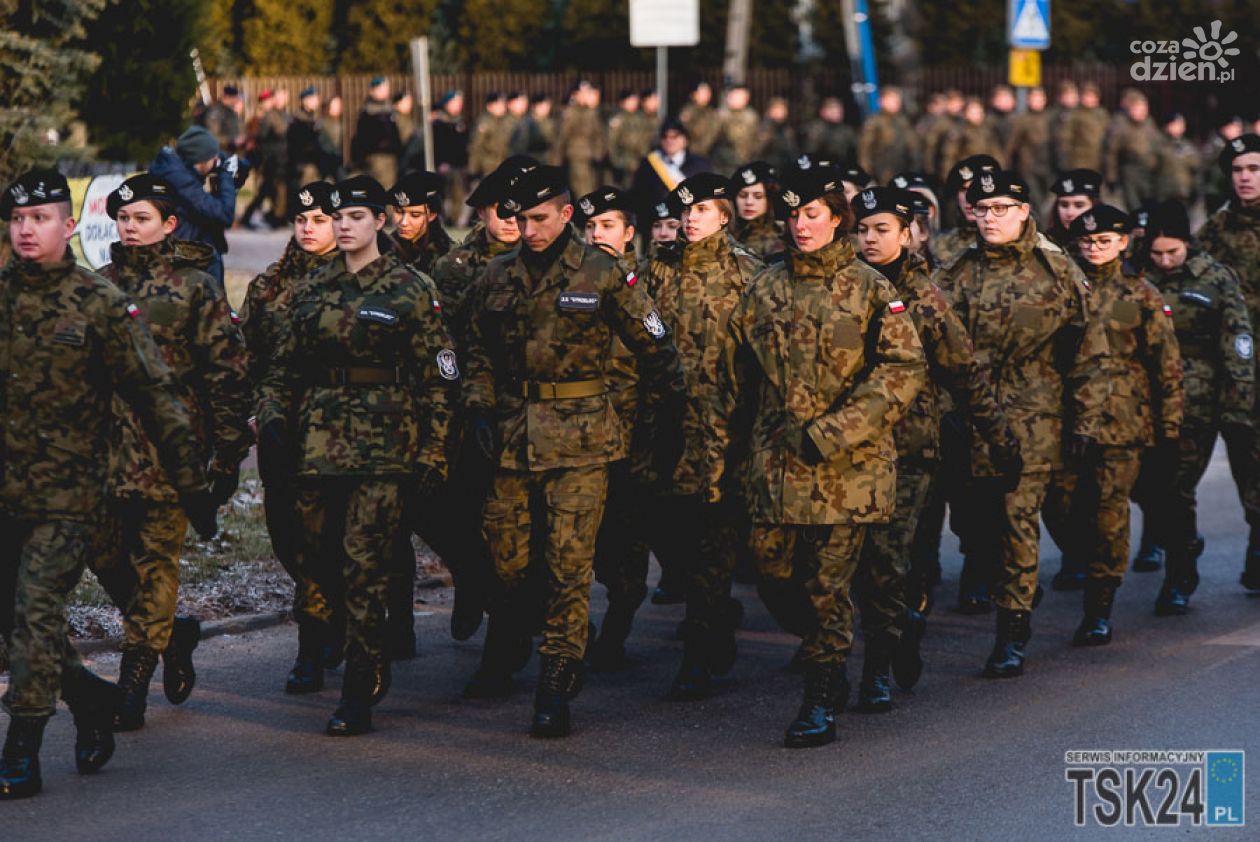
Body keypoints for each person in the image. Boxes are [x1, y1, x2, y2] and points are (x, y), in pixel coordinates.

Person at [0, 169, 216, 799]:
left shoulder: (98, 302)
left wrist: (193, 483)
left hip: (71, 494)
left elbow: (155, 396)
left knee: (36, 612)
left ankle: (22, 749)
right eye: (17, 219)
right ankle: (91, 698)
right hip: (7, 490)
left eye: (41, 218)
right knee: (16, 620)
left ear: (68, 226)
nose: (27, 230)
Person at [461, 165, 688, 738]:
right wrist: (480, 406)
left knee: (570, 565)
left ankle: (556, 677)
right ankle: (546, 635)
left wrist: (666, 422)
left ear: (566, 215)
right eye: (520, 220)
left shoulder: (602, 272)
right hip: (513, 437)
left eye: (540, 218)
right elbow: (476, 350)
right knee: (508, 565)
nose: (528, 230)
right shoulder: (496, 275)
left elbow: (656, 347)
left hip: (582, 441)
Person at [705, 164, 926, 747]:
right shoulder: (765, 287)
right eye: (793, 215)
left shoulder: (871, 289)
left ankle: (822, 696)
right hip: (774, 465)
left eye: (812, 214)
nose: (800, 225)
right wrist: (719, 456)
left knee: (829, 585)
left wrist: (835, 431)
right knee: (775, 574)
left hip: (847, 468)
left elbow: (903, 370)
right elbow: (733, 380)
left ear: (836, 219)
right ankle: (840, 644)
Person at [257, 175, 458, 736]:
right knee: (317, 560)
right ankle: (348, 646)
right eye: (338, 217)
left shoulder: (409, 287)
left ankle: (359, 683)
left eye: (355, 217)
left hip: (384, 447)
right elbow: (280, 370)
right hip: (317, 446)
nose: (343, 226)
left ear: (379, 222)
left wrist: (434, 451)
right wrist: (272, 420)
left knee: (364, 563)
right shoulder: (311, 287)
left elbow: (438, 377)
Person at [91, 174, 251, 731]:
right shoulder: (100, 286)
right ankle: (173, 634)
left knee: (156, 562)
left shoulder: (195, 288)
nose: (130, 228)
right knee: (103, 555)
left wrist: (227, 454)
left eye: (142, 219)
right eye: (123, 219)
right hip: (106, 455)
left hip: (170, 454)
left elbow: (227, 375)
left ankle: (132, 685)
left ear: (169, 224)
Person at [936, 171, 1109, 677]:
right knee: (976, 527)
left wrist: (1086, 422)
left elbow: (1090, 351)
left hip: (1035, 420)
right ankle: (1014, 590)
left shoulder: (1056, 269)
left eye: (1001, 209)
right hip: (972, 422)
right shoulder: (957, 271)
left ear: (1023, 212)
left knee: (1018, 521)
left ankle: (1012, 632)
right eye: (982, 209)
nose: (990, 218)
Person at [851, 186, 1019, 707]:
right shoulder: (842, 288)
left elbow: (965, 374)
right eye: (862, 229)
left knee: (888, 562)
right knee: (845, 565)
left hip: (908, 450)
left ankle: (877, 668)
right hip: (846, 450)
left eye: (882, 229)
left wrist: (999, 437)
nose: (870, 238)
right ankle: (902, 621)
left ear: (907, 235)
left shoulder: (925, 298)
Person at [644, 173, 764, 698]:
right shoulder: (658, 270)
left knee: (712, 542)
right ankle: (714, 619)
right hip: (666, 430)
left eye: (701, 211)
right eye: (684, 212)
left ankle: (698, 651)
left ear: (724, 216)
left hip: (724, 433)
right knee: (671, 536)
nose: (690, 220)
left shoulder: (748, 273)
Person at [1044, 205, 1182, 642]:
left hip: (1123, 421)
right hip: (1065, 415)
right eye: (1086, 242)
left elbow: (1166, 364)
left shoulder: (1141, 294)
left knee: (1109, 512)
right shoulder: (1062, 287)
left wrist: (1170, 427)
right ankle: (1083, 561)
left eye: (1104, 241)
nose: (1094, 249)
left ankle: (1099, 605)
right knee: (1058, 502)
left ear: (1123, 242)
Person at [428, 160, 533, 698]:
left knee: (516, 539)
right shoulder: (455, 267)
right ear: (483, 213)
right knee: (450, 516)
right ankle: (475, 585)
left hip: (542, 420)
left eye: (521, 209)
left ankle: (511, 642)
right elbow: (445, 343)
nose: (512, 219)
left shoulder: (559, 261)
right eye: (500, 210)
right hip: (471, 412)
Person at [240, 182, 343, 693]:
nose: (308, 228)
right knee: (285, 534)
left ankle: (313, 643)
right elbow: (245, 357)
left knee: (322, 538)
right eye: (301, 220)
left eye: (319, 220)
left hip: (339, 434)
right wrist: (252, 414)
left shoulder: (357, 280)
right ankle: (331, 614)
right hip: (280, 427)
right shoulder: (268, 286)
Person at [1134, 200, 1254, 605]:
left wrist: (1238, 406)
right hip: (1144, 401)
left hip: (1198, 402)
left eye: (1173, 251)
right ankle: (1182, 542)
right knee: (1147, 488)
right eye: (1156, 253)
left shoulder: (1215, 278)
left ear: (1187, 242)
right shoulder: (1133, 279)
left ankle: (1179, 576)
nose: (1165, 260)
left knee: (1177, 488)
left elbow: (1237, 345)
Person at [574, 185, 654, 669]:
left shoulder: (647, 283)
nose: (596, 235)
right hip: (579, 434)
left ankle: (618, 623)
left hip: (632, 435)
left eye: (607, 226)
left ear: (629, 233)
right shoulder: (571, 281)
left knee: (624, 543)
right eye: (589, 227)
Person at [1194, 134, 1260, 589]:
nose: (1245, 178)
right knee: (1244, 456)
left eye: (1254, 169)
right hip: (1235, 370)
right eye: (1238, 170)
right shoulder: (1216, 230)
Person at [150, 125, 238, 285]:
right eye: (214, 158)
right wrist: (226, 174)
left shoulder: (174, 171)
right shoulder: (179, 180)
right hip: (185, 262)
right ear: (202, 161)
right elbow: (224, 214)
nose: (216, 161)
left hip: (182, 256)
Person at [629, 118, 711, 227]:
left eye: (675, 136)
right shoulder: (648, 164)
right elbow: (638, 198)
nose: (669, 140)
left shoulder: (701, 165)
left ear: (685, 139)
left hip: (691, 225)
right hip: (656, 226)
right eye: (665, 136)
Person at [932, 154, 998, 264]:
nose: (968, 198)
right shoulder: (940, 245)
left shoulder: (1011, 238)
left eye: (975, 189)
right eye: (963, 190)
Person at [1105, 90, 1162, 212]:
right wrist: (1111, 177)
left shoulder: (1149, 124)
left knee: (1150, 205)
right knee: (1134, 206)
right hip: (1130, 170)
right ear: (1130, 109)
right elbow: (1111, 153)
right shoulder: (1120, 125)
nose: (1142, 111)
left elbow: (1159, 145)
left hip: (1149, 171)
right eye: (1138, 108)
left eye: (1144, 108)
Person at [388, 170, 453, 275]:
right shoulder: (382, 249)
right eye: (399, 212)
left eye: (415, 215)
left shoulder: (450, 256)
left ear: (431, 215)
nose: (404, 222)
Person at [1004, 86, 1052, 211]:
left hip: (1048, 166)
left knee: (1048, 200)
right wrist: (1006, 165)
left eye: (1040, 98)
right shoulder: (1022, 120)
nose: (1037, 101)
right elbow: (1012, 144)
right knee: (1036, 200)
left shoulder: (1050, 118)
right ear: (1028, 100)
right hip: (1029, 166)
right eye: (1034, 98)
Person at [858, 87, 918, 185]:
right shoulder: (875, 122)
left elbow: (912, 146)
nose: (895, 102)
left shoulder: (904, 121)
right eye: (891, 99)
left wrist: (914, 166)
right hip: (881, 171)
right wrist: (867, 172)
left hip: (902, 170)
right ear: (881, 102)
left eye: (897, 99)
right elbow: (865, 149)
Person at [556, 80, 606, 200]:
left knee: (593, 190)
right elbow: (561, 138)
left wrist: (599, 154)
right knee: (583, 192)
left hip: (592, 159)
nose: (586, 96)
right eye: (583, 93)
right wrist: (557, 162)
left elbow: (599, 135)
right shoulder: (570, 113)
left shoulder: (591, 113)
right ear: (576, 95)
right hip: (577, 158)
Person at [351, 77, 402, 190]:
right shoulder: (369, 112)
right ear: (373, 90)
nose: (386, 91)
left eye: (387, 88)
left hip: (392, 157)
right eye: (382, 88)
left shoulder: (390, 111)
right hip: (377, 158)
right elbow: (364, 139)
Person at [287, 86, 342, 191]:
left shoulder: (314, 120)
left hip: (315, 166)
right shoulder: (298, 120)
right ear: (305, 101)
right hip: (305, 167)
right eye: (313, 99)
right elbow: (299, 146)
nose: (317, 101)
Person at [729, 161, 785, 260]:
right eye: (743, 195)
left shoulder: (778, 239)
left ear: (769, 199)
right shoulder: (726, 231)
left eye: (758, 196)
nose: (749, 202)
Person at [431, 90, 470, 223]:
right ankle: (444, 219)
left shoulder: (461, 122)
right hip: (445, 165)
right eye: (455, 102)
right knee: (445, 194)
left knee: (459, 194)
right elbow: (437, 145)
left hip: (459, 165)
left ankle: (455, 220)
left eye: (460, 102)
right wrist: (440, 162)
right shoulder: (439, 123)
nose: (458, 105)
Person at [1044, 168, 1102, 251]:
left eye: (1079, 205)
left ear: (1095, 206)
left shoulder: (1111, 245)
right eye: (1064, 205)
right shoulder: (1044, 245)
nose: (1070, 213)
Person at [710, 84, 760, 174]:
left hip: (747, 162)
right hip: (724, 164)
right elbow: (710, 140)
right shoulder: (720, 116)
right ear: (728, 98)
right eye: (736, 96)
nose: (739, 99)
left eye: (742, 97)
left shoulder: (751, 116)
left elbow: (756, 139)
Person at [1155, 112, 1201, 206]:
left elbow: (1196, 171)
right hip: (1164, 196)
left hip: (1184, 195)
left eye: (1181, 124)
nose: (1178, 127)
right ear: (1167, 126)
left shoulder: (1188, 147)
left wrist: (1195, 190)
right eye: (1175, 124)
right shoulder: (1159, 146)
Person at [468, 92, 511, 183]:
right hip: (489, 166)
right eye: (498, 104)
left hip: (504, 163)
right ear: (489, 107)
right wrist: (473, 169)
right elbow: (476, 146)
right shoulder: (484, 123)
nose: (502, 107)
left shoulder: (507, 121)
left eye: (503, 104)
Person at [802, 97, 856, 168]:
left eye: (839, 110)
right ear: (823, 112)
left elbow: (853, 153)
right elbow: (810, 156)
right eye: (833, 109)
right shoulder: (817, 129)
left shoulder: (847, 130)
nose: (837, 112)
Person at [607, 89, 644, 188]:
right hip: (624, 162)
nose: (634, 103)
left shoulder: (639, 118)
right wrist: (616, 162)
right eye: (631, 100)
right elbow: (611, 142)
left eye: (635, 100)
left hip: (638, 161)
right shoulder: (618, 119)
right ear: (623, 102)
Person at [679, 81, 721, 158]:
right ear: (694, 94)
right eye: (702, 92)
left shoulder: (712, 112)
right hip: (692, 153)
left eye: (708, 92)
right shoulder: (688, 111)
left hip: (710, 154)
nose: (706, 95)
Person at [509, 93, 555, 162]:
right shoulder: (527, 123)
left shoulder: (550, 123)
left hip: (547, 160)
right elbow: (520, 146)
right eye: (543, 106)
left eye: (548, 105)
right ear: (535, 106)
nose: (546, 108)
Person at [758, 96, 798, 176]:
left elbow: (792, 151)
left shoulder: (787, 129)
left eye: (782, 109)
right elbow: (759, 151)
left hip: (785, 170)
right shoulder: (764, 128)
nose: (779, 113)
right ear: (769, 111)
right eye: (776, 109)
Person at [201, 84, 244, 153]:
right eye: (234, 98)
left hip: (231, 151)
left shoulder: (230, 111)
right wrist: (232, 140)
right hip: (220, 152)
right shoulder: (216, 112)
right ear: (227, 97)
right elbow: (213, 136)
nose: (236, 100)